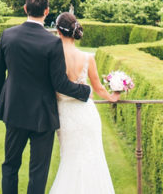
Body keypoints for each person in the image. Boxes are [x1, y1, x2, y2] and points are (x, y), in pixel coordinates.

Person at [0, 0, 92, 194]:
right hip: (43, 116)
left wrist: (1, 98)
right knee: (38, 172)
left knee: (10, 166)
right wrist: (84, 90)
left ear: (25, 9)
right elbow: (60, 83)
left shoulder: (8, 35)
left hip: (14, 111)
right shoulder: (52, 42)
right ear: (46, 11)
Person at [48, 12, 119, 194]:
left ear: (58, 31)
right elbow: (98, 88)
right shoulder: (87, 57)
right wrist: (113, 96)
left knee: (70, 160)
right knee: (93, 159)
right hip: (87, 114)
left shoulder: (51, 56)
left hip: (65, 115)